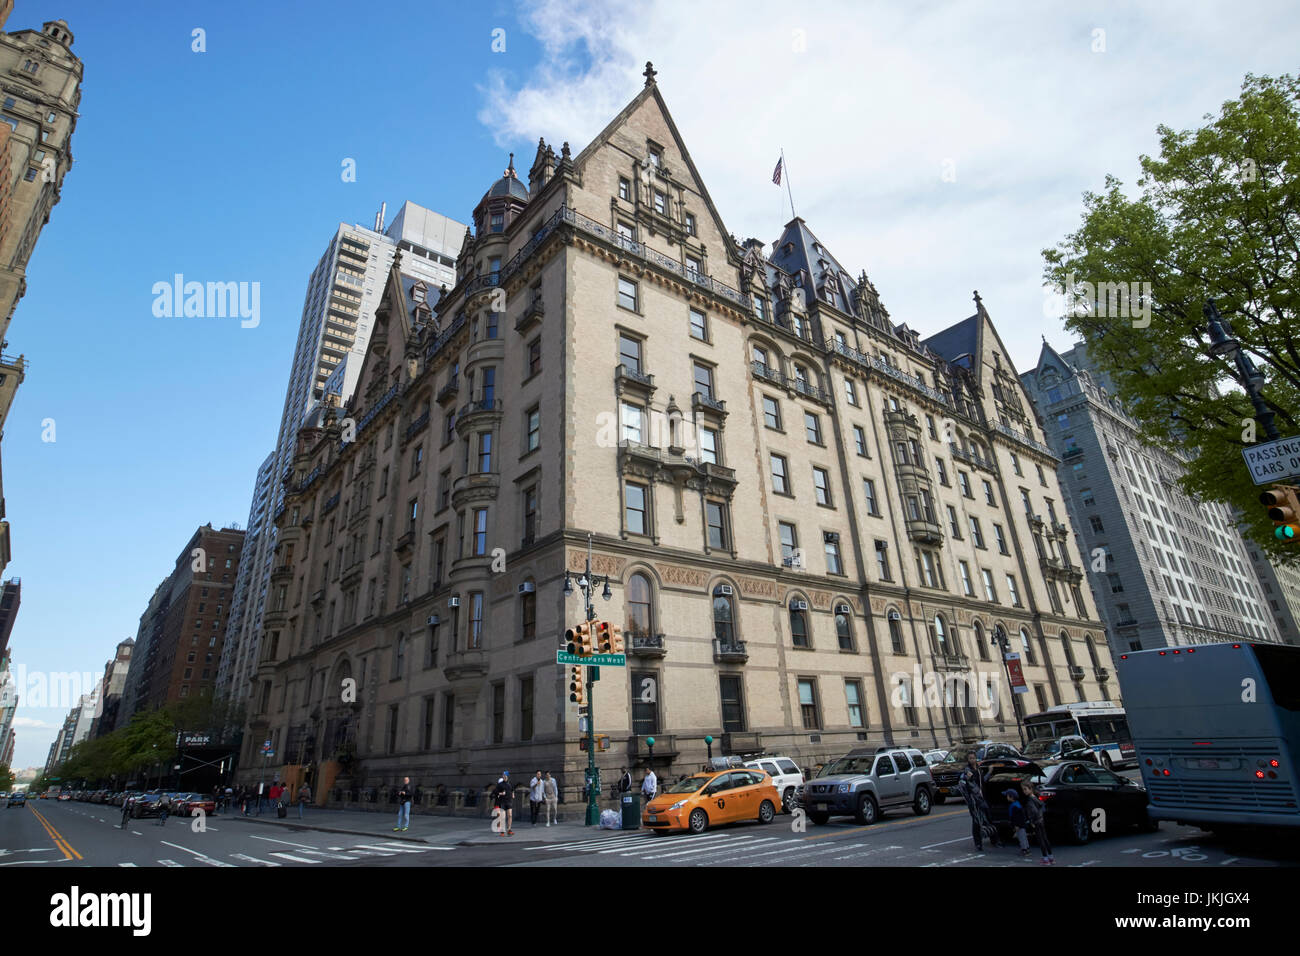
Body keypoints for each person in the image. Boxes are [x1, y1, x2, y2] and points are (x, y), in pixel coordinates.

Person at [956, 752, 998, 852]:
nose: (972, 760)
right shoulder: (967, 770)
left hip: (982, 798)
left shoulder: (978, 769)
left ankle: (994, 840)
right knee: (976, 821)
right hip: (974, 800)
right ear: (968, 760)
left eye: (974, 758)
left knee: (988, 818)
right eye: (970, 758)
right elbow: (968, 781)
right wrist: (968, 776)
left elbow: (983, 780)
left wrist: (989, 772)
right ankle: (978, 844)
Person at [1020, 779, 1055, 865]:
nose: (1024, 791)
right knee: (1045, 839)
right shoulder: (1035, 798)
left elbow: (1033, 811)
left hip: (1036, 821)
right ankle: (1051, 857)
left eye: (1025, 789)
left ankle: (1045, 859)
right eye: (1023, 789)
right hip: (1041, 820)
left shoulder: (1030, 800)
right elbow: (1042, 806)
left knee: (1041, 840)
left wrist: (1031, 821)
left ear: (1030, 789)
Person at [1005, 788, 1029, 857]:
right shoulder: (1017, 804)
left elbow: (1016, 817)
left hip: (1019, 825)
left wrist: (1016, 825)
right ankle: (1026, 848)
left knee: (1021, 837)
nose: (1006, 797)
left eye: (1007, 796)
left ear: (1011, 797)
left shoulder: (1015, 806)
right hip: (1021, 824)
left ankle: (1024, 849)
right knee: (1023, 836)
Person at [492, 771, 514, 836]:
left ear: (507, 776)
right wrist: (501, 793)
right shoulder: (500, 784)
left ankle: (509, 830)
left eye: (505, 775)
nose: (504, 776)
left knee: (510, 815)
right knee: (503, 817)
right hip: (502, 802)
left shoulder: (510, 784)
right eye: (503, 775)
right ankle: (502, 831)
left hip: (509, 802)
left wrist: (513, 795)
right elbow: (495, 792)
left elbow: (512, 790)